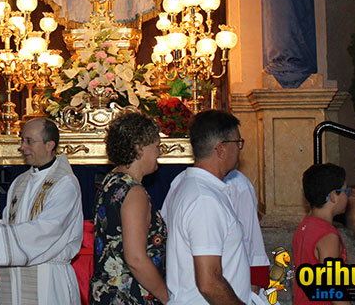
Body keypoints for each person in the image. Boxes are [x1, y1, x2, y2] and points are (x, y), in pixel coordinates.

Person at [0, 118, 83, 304]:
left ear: (49, 145)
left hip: (48, 279)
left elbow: (48, 229)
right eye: (22, 140)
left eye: (29, 141)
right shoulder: (20, 182)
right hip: (14, 277)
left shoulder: (65, 183)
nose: (22, 147)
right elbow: (7, 225)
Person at [161, 110, 250, 304]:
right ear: (221, 149)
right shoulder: (204, 199)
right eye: (238, 143)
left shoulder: (190, 185)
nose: (240, 149)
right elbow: (209, 282)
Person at [90, 112, 169, 304]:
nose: (159, 152)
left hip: (108, 293)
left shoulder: (111, 181)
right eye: (156, 146)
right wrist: (168, 298)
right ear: (139, 149)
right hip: (131, 295)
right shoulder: (134, 192)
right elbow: (136, 259)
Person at [292, 163, 351, 305]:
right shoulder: (328, 236)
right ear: (333, 196)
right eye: (346, 191)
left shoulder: (304, 226)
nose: (348, 197)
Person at [223, 170, 271, 294]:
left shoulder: (238, 185)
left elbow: (250, 238)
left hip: (231, 280)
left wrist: (255, 281)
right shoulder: (181, 183)